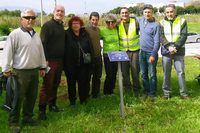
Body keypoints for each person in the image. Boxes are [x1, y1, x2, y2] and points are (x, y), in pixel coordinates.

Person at [2, 9, 46, 132]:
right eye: (27, 17)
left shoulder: (36, 35)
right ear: (22, 19)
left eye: (33, 17)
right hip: (20, 73)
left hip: (34, 71)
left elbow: (41, 52)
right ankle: (13, 122)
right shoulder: (15, 34)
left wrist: (42, 66)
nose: (30, 20)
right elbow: (8, 52)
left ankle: (28, 118)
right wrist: (6, 69)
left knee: (31, 97)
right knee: (17, 99)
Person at [38, 5, 65, 120]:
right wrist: (45, 60)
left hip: (59, 60)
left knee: (55, 83)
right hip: (50, 61)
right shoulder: (48, 26)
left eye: (62, 11)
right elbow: (42, 43)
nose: (59, 13)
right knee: (47, 85)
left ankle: (52, 104)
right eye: (57, 11)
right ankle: (41, 110)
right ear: (53, 12)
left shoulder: (61, 26)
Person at [160, 4, 190, 100]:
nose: (169, 14)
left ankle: (184, 93)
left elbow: (184, 35)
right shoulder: (161, 22)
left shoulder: (182, 21)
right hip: (166, 50)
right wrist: (169, 47)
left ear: (175, 12)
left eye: (171, 11)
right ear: (165, 13)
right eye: (167, 12)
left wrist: (175, 47)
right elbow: (161, 36)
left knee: (180, 72)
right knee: (166, 73)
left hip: (179, 49)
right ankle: (166, 93)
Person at [63, 16, 94, 106]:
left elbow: (90, 46)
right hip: (70, 64)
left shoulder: (84, 33)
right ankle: (72, 101)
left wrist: (91, 60)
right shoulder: (67, 34)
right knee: (71, 83)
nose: (76, 25)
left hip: (83, 64)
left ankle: (83, 99)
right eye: (73, 24)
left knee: (82, 82)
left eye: (77, 23)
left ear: (81, 25)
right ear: (70, 25)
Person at [137, 4, 160, 102]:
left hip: (150, 53)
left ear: (152, 13)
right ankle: (146, 92)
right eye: (145, 12)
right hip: (141, 52)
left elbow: (157, 41)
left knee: (152, 75)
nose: (147, 14)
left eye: (149, 12)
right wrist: (119, 19)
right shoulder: (141, 20)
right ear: (143, 12)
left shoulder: (156, 25)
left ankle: (152, 93)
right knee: (143, 74)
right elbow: (130, 17)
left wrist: (153, 54)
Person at [117, 7, 141, 96]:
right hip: (123, 51)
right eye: (122, 13)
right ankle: (127, 89)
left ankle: (137, 89)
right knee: (125, 72)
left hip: (134, 50)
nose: (124, 14)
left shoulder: (135, 22)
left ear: (129, 13)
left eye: (126, 13)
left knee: (135, 71)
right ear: (120, 14)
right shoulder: (118, 24)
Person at [100, 14, 118, 96]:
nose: (110, 23)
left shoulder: (116, 29)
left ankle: (111, 90)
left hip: (116, 54)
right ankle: (106, 91)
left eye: (112, 22)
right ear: (106, 22)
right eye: (108, 22)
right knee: (109, 74)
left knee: (114, 73)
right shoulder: (103, 31)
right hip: (107, 54)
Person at [85, 12, 102, 98]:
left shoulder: (98, 30)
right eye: (93, 20)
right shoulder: (85, 29)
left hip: (98, 57)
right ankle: (86, 94)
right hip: (89, 58)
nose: (95, 22)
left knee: (97, 76)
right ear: (90, 20)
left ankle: (95, 94)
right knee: (87, 77)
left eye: (96, 20)